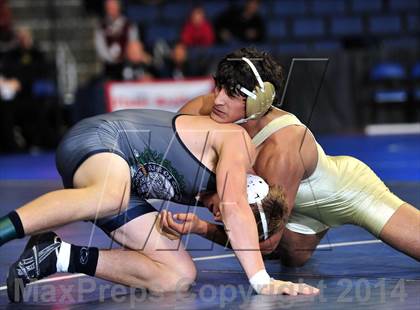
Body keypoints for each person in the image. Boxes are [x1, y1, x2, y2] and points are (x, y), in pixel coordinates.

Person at [1, 109, 319, 302]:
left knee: (176, 275)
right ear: (245, 190)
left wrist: (195, 225)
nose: (222, 217)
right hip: (98, 139)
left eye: (224, 221)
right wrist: (262, 281)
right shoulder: (238, 147)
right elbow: (235, 208)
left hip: (117, 182)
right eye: (234, 216)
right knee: (113, 193)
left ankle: (55, 256)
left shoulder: (217, 192)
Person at [177, 47, 420, 265]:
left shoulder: (280, 150)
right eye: (218, 86)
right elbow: (170, 144)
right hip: (295, 205)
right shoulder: (212, 106)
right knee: (294, 257)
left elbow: (266, 244)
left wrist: (203, 228)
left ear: (258, 100)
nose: (217, 99)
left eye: (231, 93)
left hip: (349, 193)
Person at [94, 0, 139, 80]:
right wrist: (110, 59)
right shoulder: (101, 25)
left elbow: (133, 43)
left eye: (113, 7)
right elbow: (100, 46)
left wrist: (126, 56)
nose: (111, 9)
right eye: (109, 7)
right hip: (108, 65)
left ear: (119, 7)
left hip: (126, 63)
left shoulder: (129, 24)